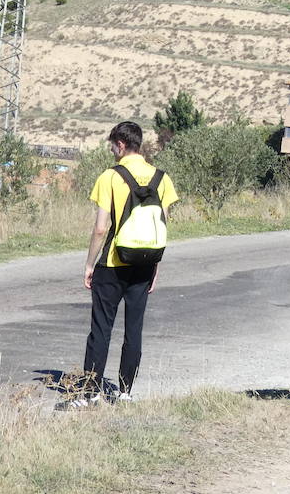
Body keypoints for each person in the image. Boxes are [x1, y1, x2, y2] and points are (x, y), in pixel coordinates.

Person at [74, 121, 178, 406]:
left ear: (120, 144)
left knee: (101, 329)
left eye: (112, 146)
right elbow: (162, 226)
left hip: (112, 263)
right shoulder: (162, 178)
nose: (112, 151)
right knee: (134, 329)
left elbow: (100, 228)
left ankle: (90, 394)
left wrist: (89, 264)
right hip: (145, 263)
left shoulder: (109, 177)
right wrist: (156, 266)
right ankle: (124, 392)